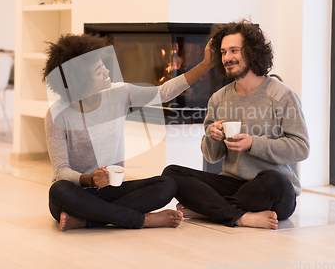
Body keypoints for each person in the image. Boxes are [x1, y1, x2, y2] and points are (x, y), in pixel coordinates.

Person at [43, 33, 213, 231]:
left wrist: (205, 64)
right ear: (80, 81)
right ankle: (143, 220)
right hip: (77, 194)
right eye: (99, 71)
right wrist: (89, 179)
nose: (107, 71)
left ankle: (88, 220)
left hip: (113, 191)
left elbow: (164, 92)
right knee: (58, 190)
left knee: (167, 184)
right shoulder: (58, 114)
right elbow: (60, 170)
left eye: (103, 65)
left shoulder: (119, 93)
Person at [162, 20, 309, 230]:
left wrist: (253, 144)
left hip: (272, 190)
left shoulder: (282, 95)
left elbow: (301, 147)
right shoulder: (218, 98)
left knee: (274, 180)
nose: (227, 58)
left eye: (234, 50)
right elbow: (212, 156)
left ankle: (208, 210)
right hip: (234, 184)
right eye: (223, 52)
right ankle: (240, 216)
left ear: (251, 52)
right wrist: (212, 137)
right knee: (172, 174)